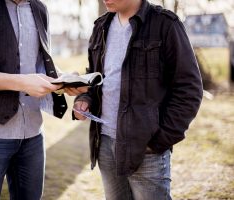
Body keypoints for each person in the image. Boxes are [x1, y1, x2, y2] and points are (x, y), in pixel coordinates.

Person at [0, 0, 86, 199]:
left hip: (32, 132)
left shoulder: (40, 8)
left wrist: (64, 80)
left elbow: (37, 65)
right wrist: (22, 82)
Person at [73, 0, 203, 199]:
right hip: (105, 144)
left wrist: (160, 141)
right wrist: (85, 97)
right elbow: (94, 75)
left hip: (147, 148)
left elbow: (189, 89)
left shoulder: (166, 24)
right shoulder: (100, 26)